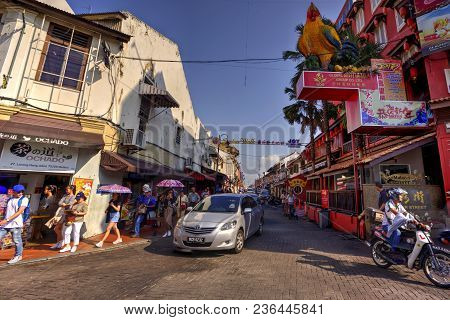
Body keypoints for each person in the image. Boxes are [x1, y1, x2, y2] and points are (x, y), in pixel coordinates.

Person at [0, 185, 28, 264]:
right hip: (6, 224)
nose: (20, 193)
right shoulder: (10, 199)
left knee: (17, 241)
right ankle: (18, 255)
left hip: (16, 224)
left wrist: (7, 220)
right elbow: (7, 211)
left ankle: (18, 256)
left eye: (22, 191)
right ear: (13, 192)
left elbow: (19, 212)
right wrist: (4, 219)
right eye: (18, 192)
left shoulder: (24, 199)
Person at [49, 185, 76, 249]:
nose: (66, 190)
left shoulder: (73, 197)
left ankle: (61, 243)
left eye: (67, 189)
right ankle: (59, 243)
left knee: (57, 229)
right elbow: (59, 202)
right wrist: (63, 204)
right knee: (58, 229)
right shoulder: (65, 196)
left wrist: (65, 204)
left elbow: (70, 205)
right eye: (66, 189)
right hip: (60, 213)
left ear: (71, 190)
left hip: (66, 215)